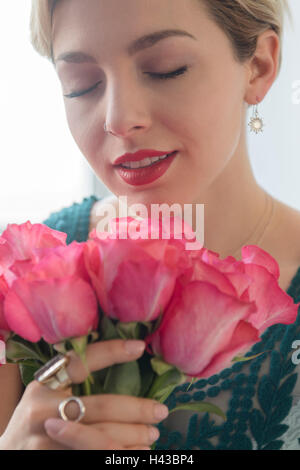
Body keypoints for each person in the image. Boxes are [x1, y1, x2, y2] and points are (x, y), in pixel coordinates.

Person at [1, 0, 300, 450]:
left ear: (258, 66)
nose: (118, 120)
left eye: (166, 69)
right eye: (82, 85)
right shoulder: (24, 274)